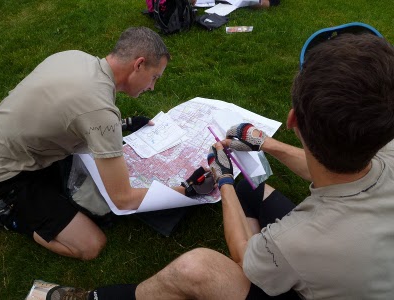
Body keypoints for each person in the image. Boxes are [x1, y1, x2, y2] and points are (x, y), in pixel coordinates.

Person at [39, 23, 394, 299]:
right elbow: (334, 167)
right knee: (251, 188)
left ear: (293, 120)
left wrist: (223, 182)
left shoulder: (297, 240)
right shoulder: (384, 149)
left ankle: (97, 298)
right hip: (361, 264)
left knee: (196, 267)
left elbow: (244, 256)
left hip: (306, 270)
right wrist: (266, 145)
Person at [0, 26, 208, 261]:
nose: (152, 87)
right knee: (91, 245)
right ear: (138, 65)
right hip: (10, 172)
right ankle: (7, 215)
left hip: (10, 139)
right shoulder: (99, 110)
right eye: (154, 77)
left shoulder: (75, 56)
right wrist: (186, 190)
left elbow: (71, 111)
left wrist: (122, 124)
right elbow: (123, 199)